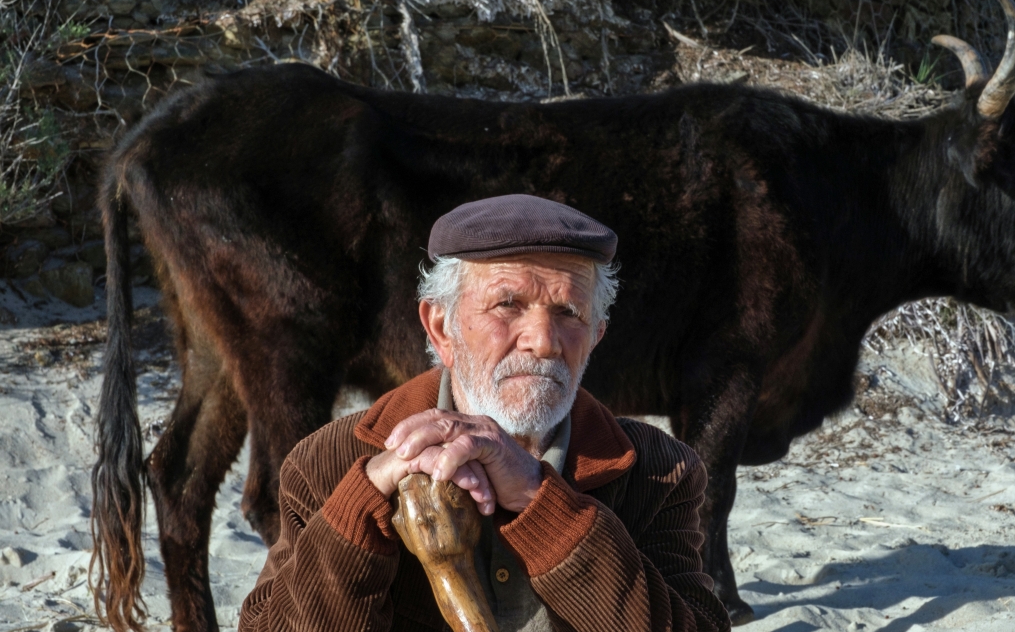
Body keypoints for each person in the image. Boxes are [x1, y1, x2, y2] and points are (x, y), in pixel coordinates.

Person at [239, 195, 731, 632]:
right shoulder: (331, 462)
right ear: (441, 327)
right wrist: (359, 513)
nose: (543, 341)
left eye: (569, 313)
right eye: (508, 305)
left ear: (596, 336)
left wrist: (542, 502)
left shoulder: (657, 472)